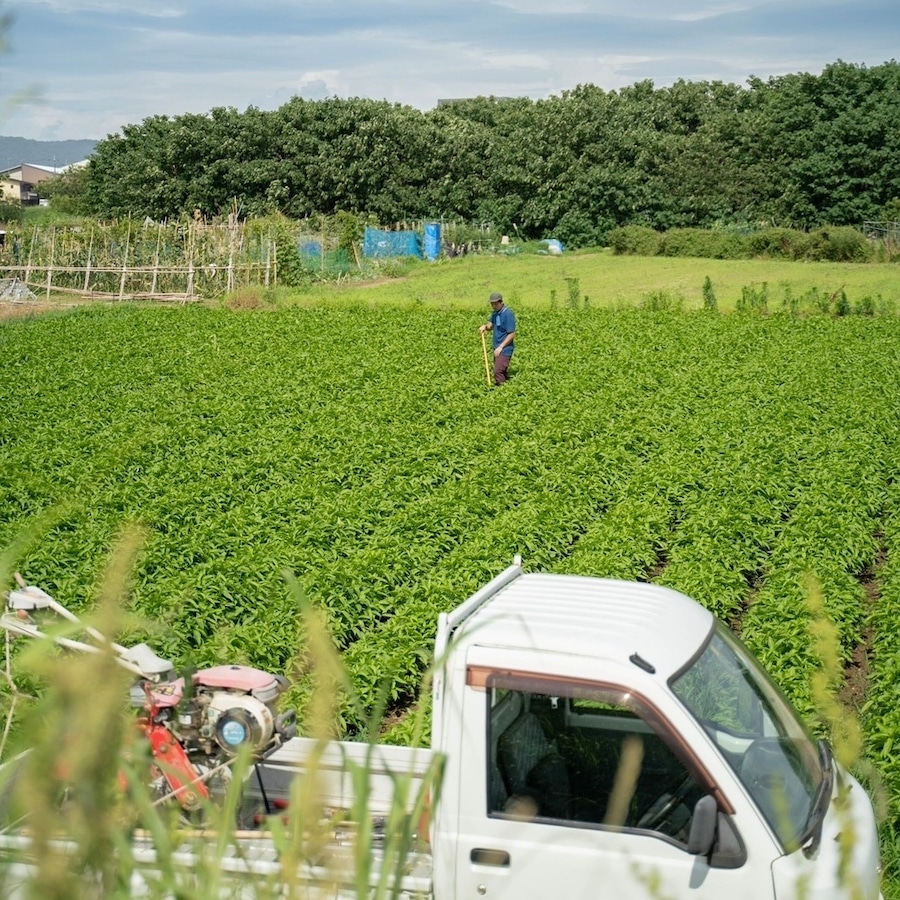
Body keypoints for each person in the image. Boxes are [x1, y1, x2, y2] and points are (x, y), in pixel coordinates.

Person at [479, 292, 516, 384]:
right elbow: (490, 325)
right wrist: (485, 327)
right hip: (497, 348)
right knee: (502, 372)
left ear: (501, 302)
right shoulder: (495, 313)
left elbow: (511, 334)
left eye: (495, 304)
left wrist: (501, 347)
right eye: (492, 304)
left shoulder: (508, 314)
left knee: (498, 371)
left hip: (505, 349)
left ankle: (503, 392)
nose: (494, 306)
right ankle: (507, 386)